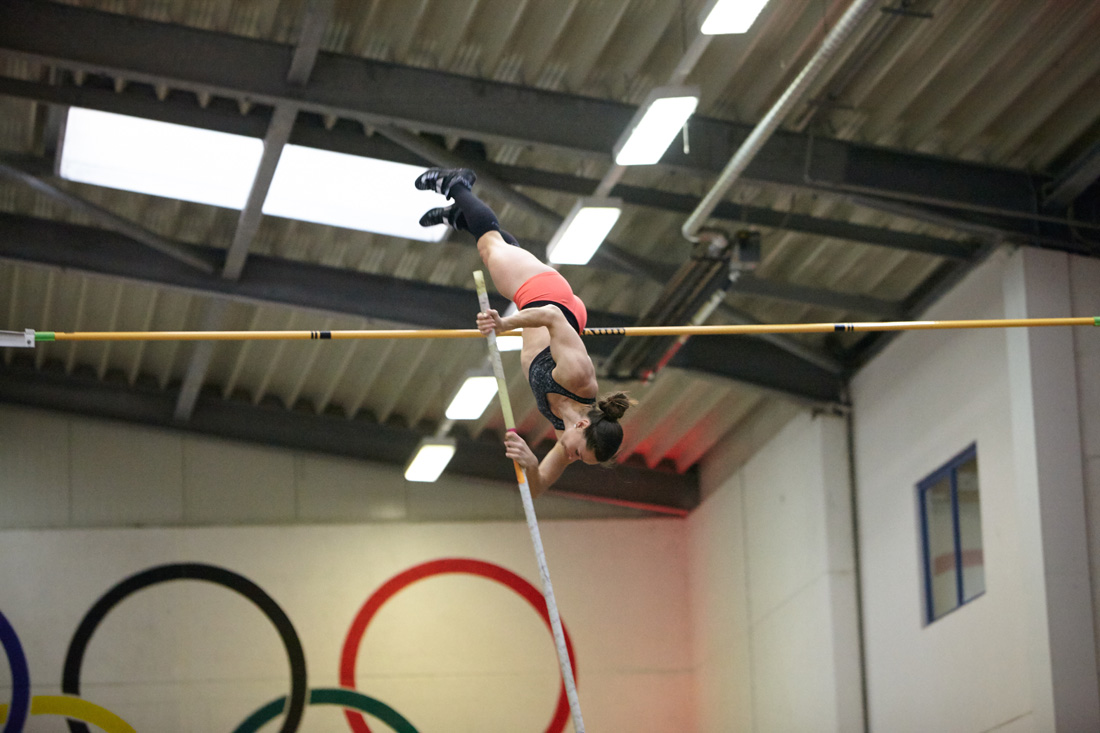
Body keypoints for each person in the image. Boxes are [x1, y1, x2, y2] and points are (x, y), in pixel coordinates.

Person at [415, 167, 633, 498]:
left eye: (576, 458)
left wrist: (531, 463)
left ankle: (463, 219)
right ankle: (457, 184)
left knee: (500, 252)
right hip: (548, 297)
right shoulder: (579, 378)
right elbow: (552, 316)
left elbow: (540, 484)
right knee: (490, 250)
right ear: (584, 426)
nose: (570, 456)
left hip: (563, 315)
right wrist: (503, 324)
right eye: (577, 452)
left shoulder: (567, 432)